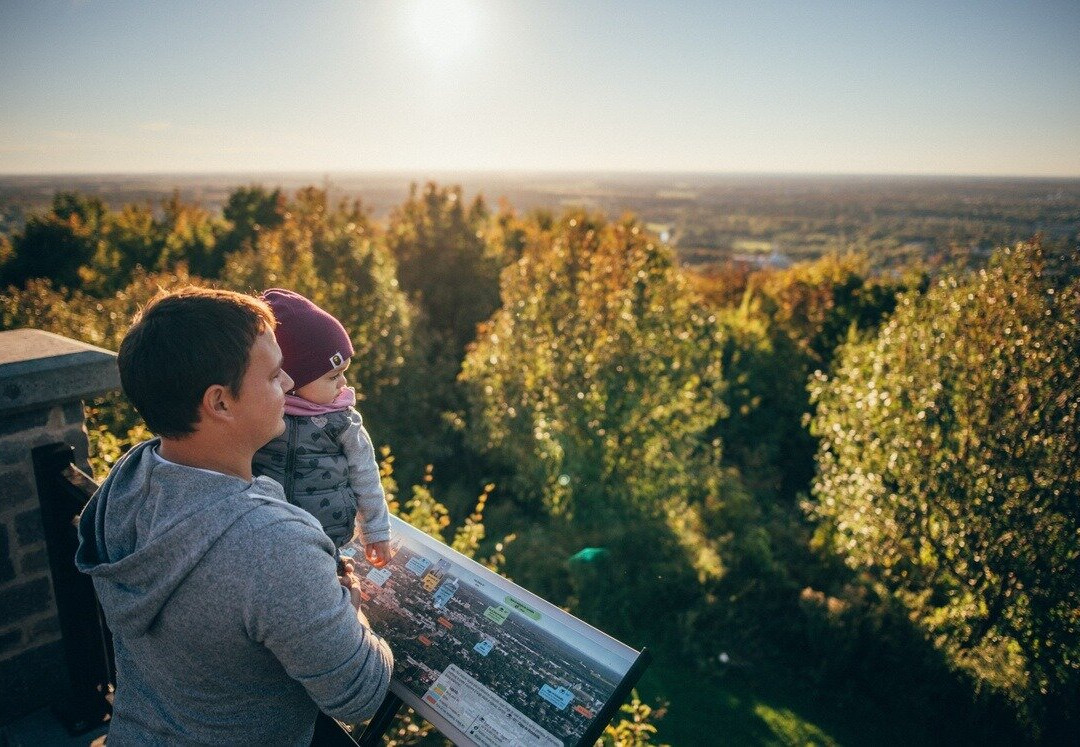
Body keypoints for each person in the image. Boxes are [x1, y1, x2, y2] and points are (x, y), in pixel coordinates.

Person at [75, 287, 393, 745]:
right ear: (220, 402)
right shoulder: (272, 544)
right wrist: (351, 605)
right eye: (272, 375)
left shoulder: (128, 481)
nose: (288, 384)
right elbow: (361, 695)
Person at [252, 288, 391, 569]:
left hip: (325, 534)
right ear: (293, 377)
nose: (343, 384)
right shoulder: (261, 412)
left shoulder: (343, 421)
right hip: (264, 534)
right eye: (333, 376)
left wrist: (375, 530)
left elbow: (365, 475)